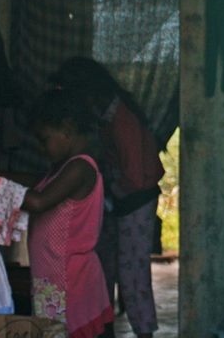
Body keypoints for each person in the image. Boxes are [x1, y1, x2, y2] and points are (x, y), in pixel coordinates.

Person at [0, 88, 114, 338]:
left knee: (63, 332)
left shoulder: (80, 167)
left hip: (70, 278)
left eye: (44, 140)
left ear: (66, 129)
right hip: (55, 275)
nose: (43, 149)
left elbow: (38, 201)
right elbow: (36, 183)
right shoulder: (62, 168)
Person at [51, 57, 164, 338]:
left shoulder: (121, 119)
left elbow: (135, 176)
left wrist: (109, 194)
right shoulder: (108, 116)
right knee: (105, 266)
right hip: (123, 200)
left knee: (132, 273)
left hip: (135, 202)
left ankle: (144, 333)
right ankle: (105, 328)